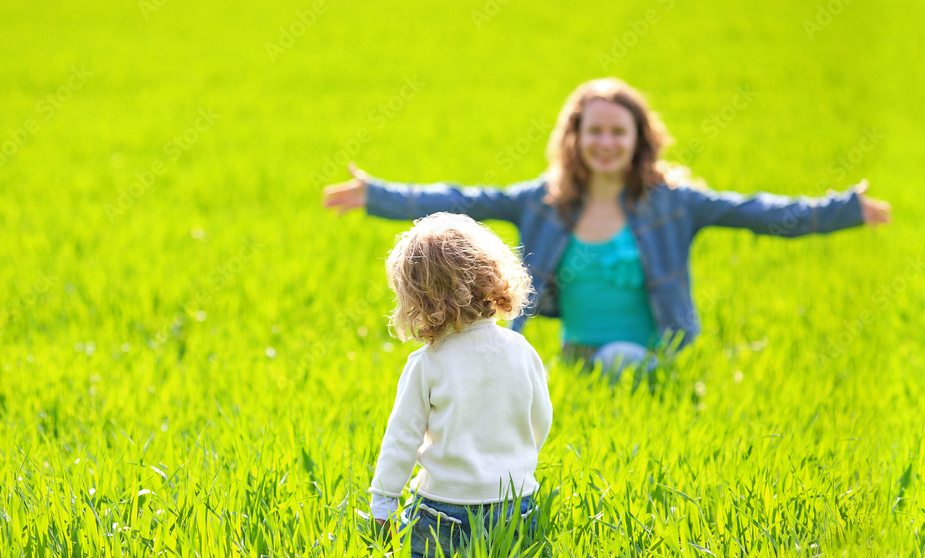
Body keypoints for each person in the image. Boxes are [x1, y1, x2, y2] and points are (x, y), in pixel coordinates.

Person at [323, 78, 892, 375]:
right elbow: (461, 198)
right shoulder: (543, 202)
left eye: (618, 132)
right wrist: (377, 196)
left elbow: (762, 214)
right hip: (576, 357)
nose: (605, 142)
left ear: (639, 139)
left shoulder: (673, 203)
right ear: (575, 138)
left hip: (651, 358)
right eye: (594, 131)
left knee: (623, 360)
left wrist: (845, 209)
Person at [369, 212, 553, 558]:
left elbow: (402, 438)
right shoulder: (521, 350)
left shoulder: (428, 362)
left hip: (443, 507)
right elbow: (540, 419)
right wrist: (516, 460)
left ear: (417, 298)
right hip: (514, 503)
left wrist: (383, 500)